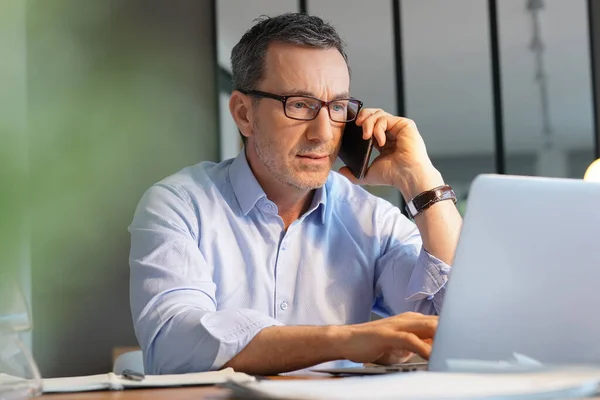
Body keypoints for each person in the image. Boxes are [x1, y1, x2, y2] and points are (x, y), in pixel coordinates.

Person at [128, 12, 462, 376]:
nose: (323, 133)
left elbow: (456, 326)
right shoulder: (179, 205)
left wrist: (422, 181)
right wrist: (342, 340)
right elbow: (174, 344)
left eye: (337, 107)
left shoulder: (372, 220)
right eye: (300, 104)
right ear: (244, 114)